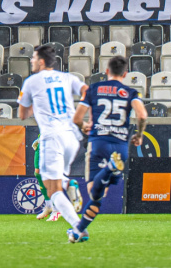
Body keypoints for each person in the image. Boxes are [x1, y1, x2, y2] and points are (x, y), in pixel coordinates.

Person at [70, 54, 147, 242]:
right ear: (125, 73)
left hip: (99, 143)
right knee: (99, 196)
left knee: (94, 194)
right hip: (120, 145)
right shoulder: (130, 92)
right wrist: (139, 134)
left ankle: (108, 168)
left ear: (106, 71)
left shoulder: (93, 89)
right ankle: (78, 231)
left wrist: (83, 126)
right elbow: (142, 115)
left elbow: (77, 118)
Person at [18, 44, 85, 236]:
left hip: (52, 136)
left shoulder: (32, 81)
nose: (31, 61)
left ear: (40, 61)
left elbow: (22, 114)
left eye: (33, 58)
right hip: (71, 136)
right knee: (56, 183)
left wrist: (35, 105)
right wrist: (80, 115)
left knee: (52, 189)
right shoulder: (67, 77)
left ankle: (79, 228)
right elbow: (87, 91)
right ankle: (68, 186)